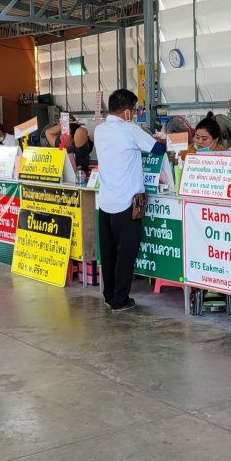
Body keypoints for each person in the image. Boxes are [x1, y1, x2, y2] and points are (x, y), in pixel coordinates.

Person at [93, 89, 165, 311]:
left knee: (109, 253)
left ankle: (109, 295)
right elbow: (158, 149)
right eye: (133, 110)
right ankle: (120, 299)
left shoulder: (99, 130)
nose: (134, 114)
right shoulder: (130, 129)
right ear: (126, 111)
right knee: (126, 254)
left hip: (105, 203)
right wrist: (162, 140)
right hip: (127, 203)